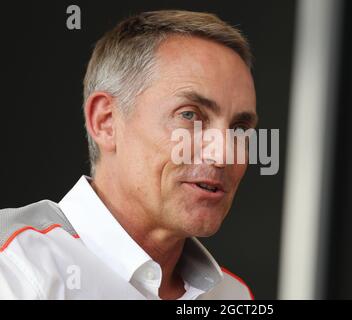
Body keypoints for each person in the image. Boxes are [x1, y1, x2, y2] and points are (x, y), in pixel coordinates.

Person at [0, 10, 257, 300]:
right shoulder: (13, 265)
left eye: (238, 128)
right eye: (189, 115)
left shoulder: (233, 295)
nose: (223, 154)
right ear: (106, 121)